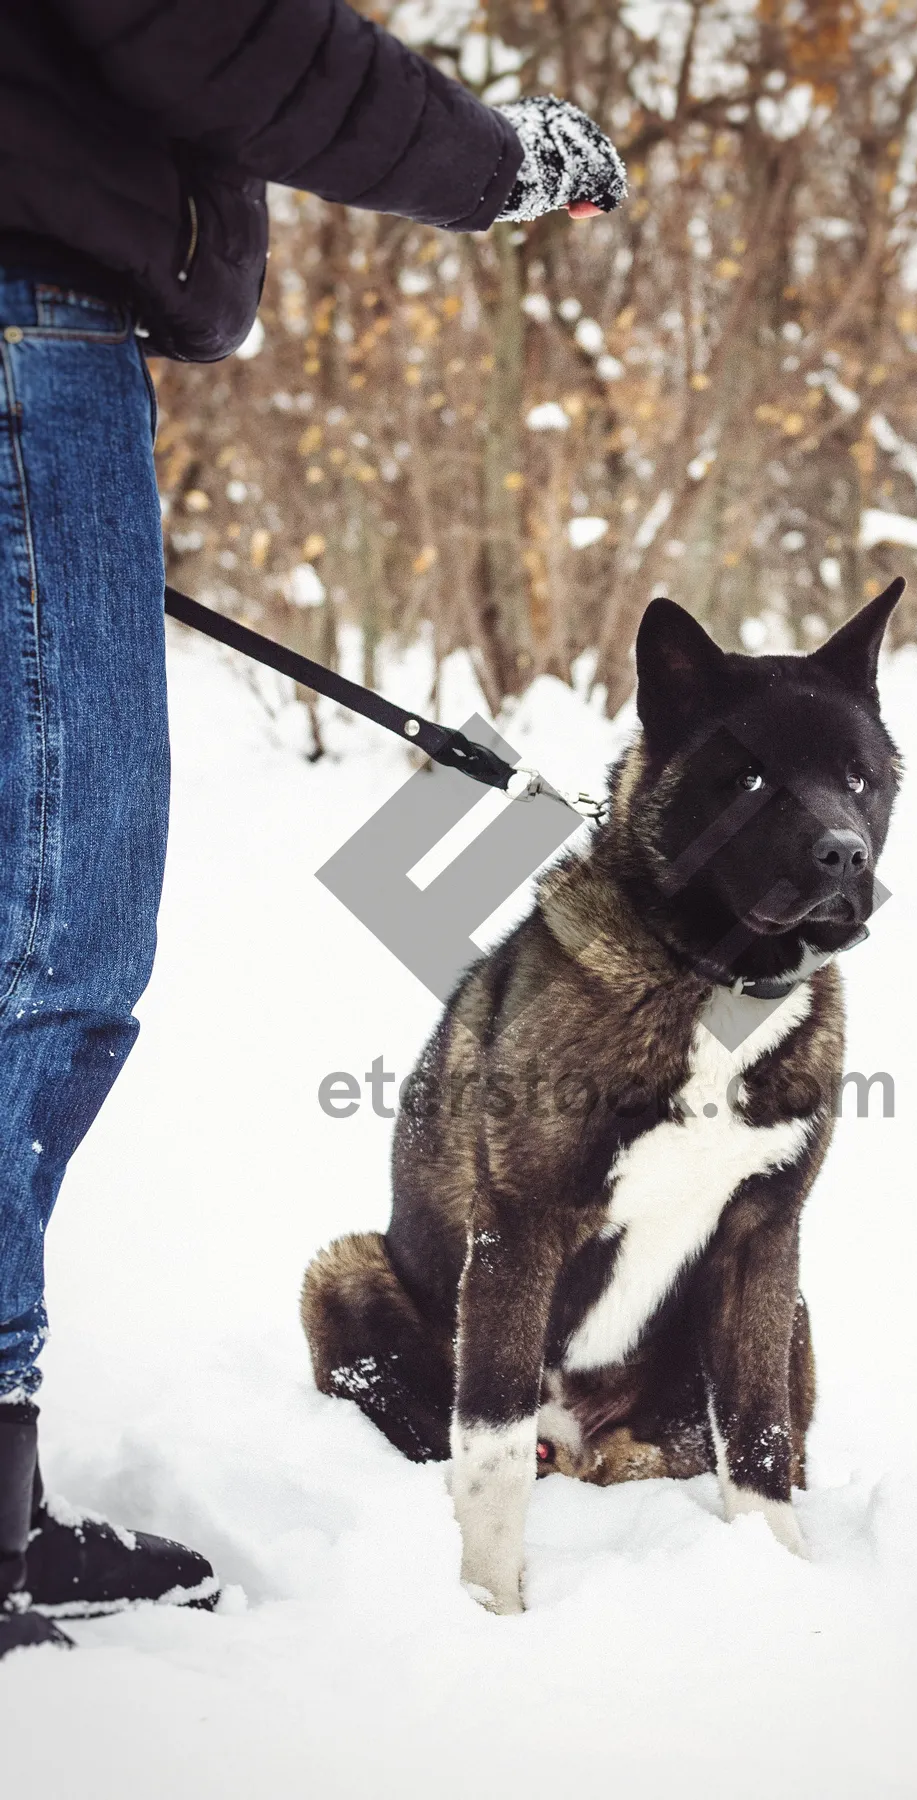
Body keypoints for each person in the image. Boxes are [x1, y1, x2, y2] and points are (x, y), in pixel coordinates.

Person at [0, 0, 625, 1657]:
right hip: (19, 332)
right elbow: (215, 30)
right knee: (42, 946)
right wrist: (492, 162)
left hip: (35, 328)